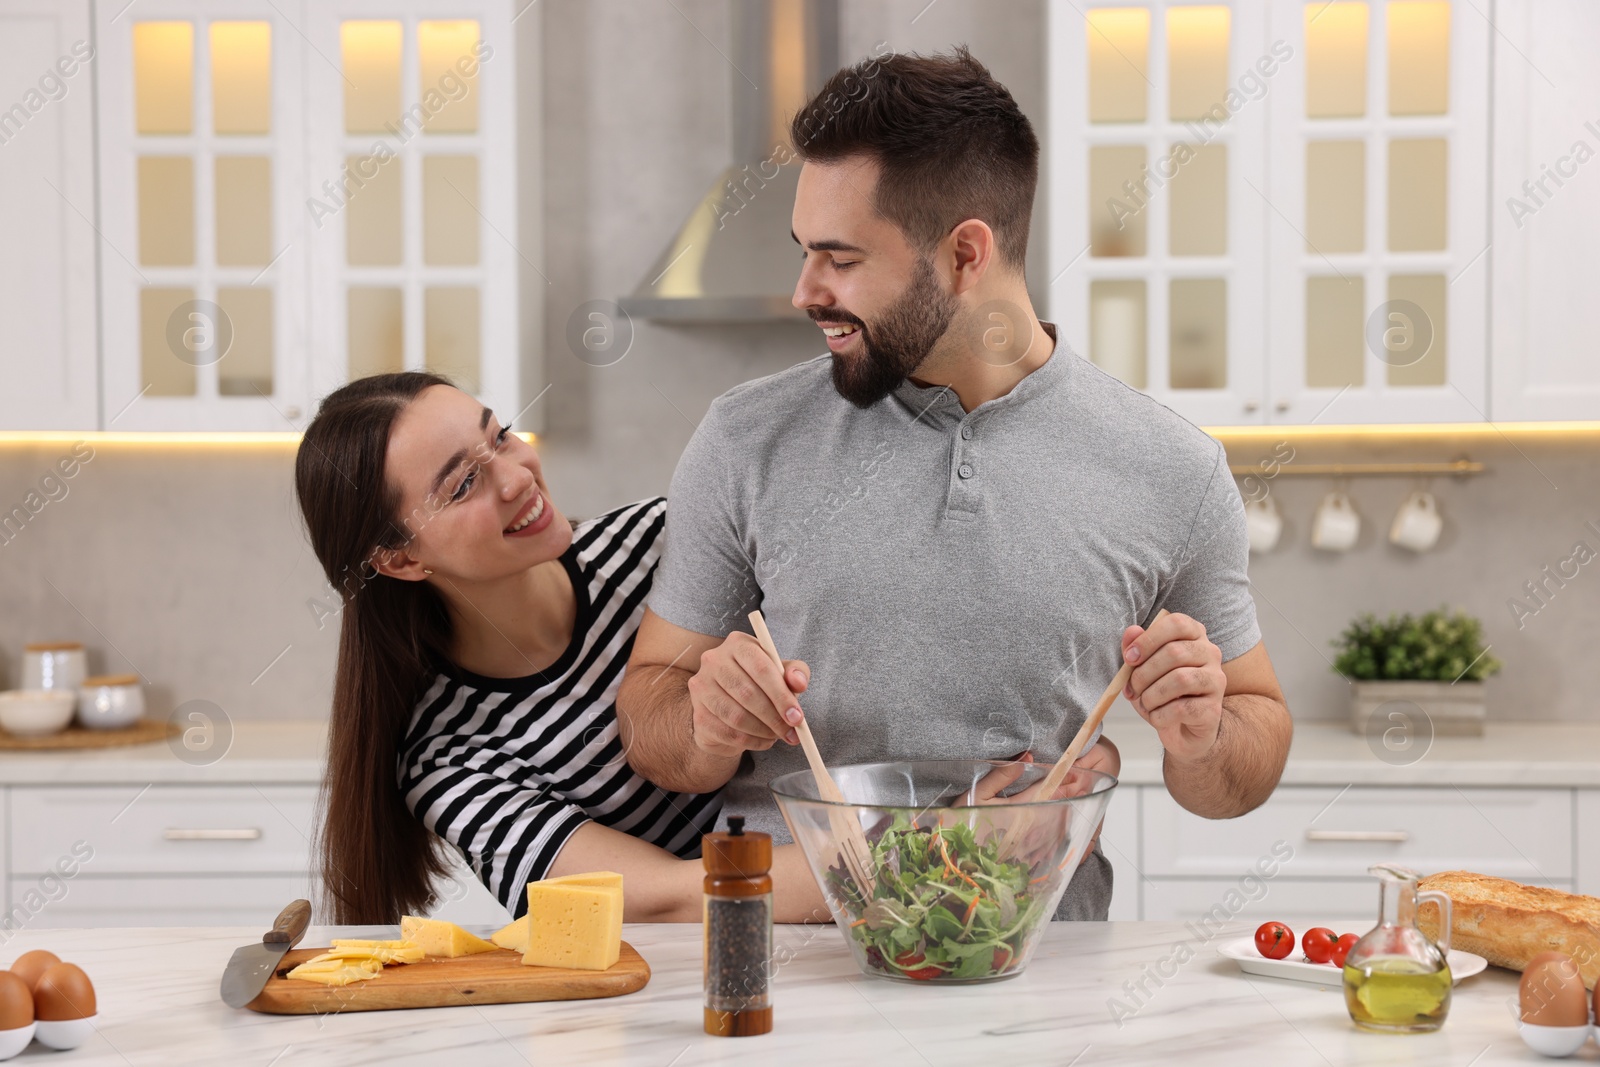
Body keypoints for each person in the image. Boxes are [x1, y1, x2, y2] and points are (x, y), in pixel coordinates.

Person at [617, 48, 1294, 921]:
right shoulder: (744, 439)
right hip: (793, 960)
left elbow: (1246, 759)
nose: (803, 292)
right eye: (804, 252)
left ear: (965, 252)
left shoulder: (1171, 468)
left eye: (841, 258)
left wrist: (1202, 736)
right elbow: (650, 717)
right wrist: (704, 722)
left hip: (1036, 968)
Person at [293, 372, 836, 923]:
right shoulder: (452, 760)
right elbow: (654, 900)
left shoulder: (661, 542)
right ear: (401, 559)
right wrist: (886, 863)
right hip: (687, 976)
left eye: (501, 436)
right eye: (462, 485)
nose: (515, 478)